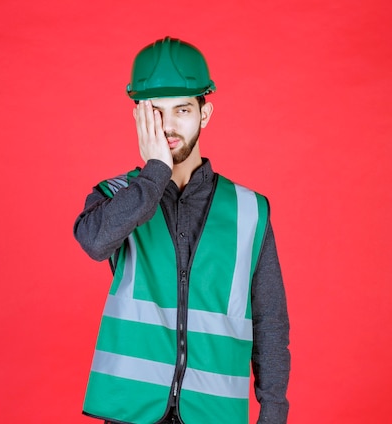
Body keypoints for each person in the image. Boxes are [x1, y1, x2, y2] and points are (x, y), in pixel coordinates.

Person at [73, 36, 290, 424]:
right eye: (156, 112)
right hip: (130, 411)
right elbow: (95, 242)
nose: (169, 126)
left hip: (214, 413)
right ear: (138, 115)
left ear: (204, 115)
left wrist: (273, 411)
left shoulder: (249, 210)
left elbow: (270, 320)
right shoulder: (117, 196)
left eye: (183, 110)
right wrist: (155, 171)